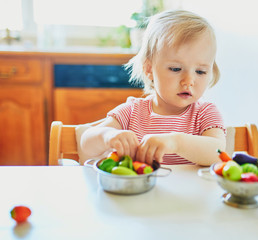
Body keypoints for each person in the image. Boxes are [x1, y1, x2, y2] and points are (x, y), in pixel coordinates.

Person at [80, 10, 226, 166]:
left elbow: (218, 153)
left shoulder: (205, 113)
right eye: (176, 69)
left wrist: (176, 143)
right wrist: (107, 136)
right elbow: (86, 142)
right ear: (149, 69)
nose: (189, 81)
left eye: (200, 71)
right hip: (141, 190)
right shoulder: (132, 111)